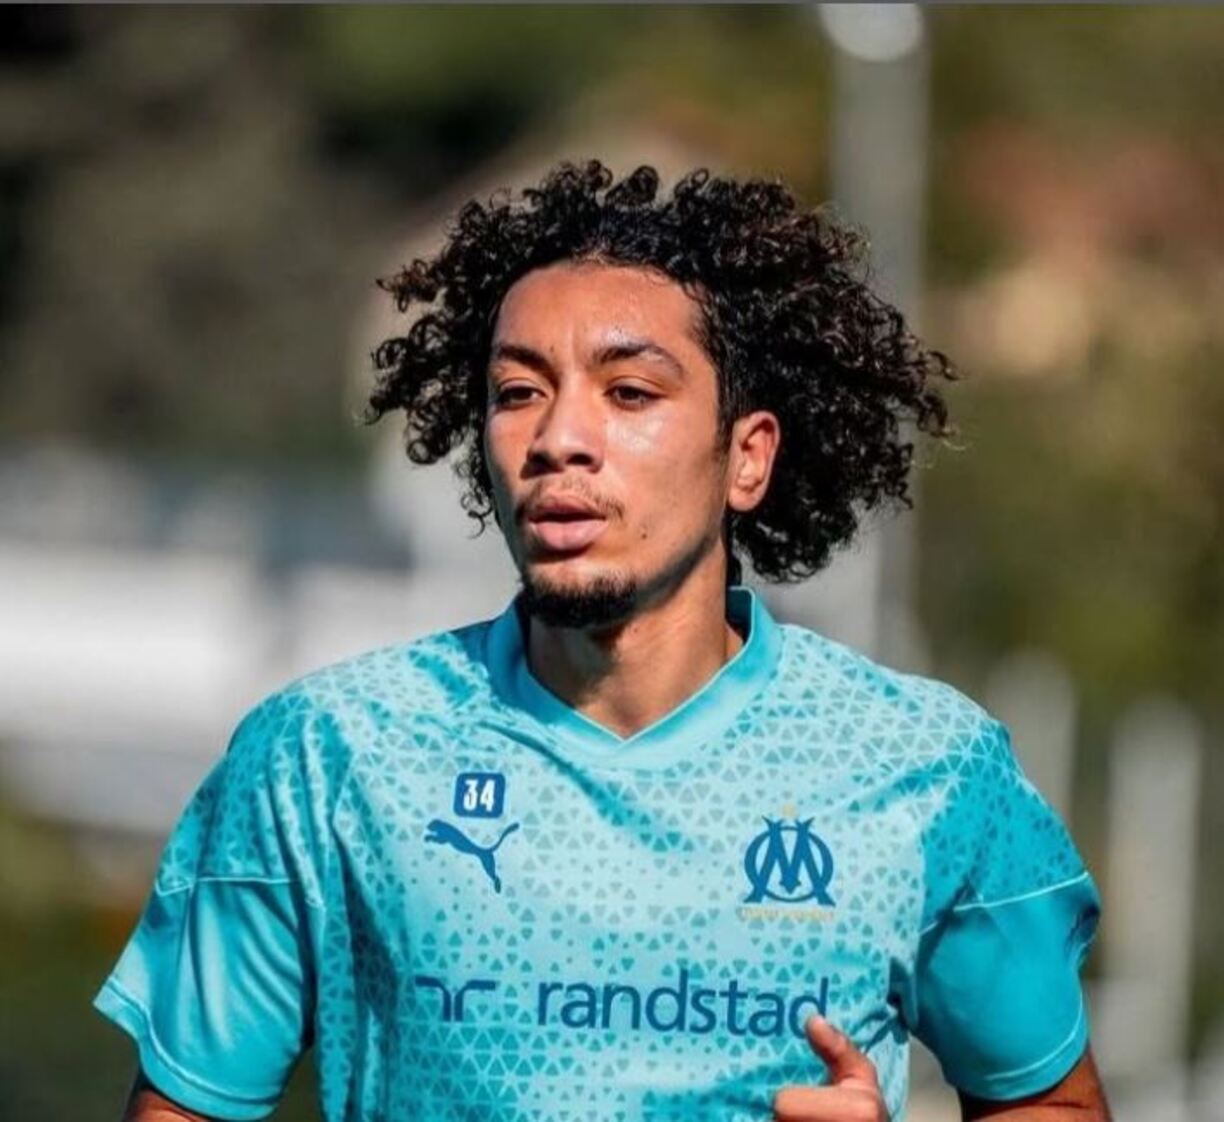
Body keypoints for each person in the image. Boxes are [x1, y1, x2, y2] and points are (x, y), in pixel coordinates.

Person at [96, 160, 1110, 1122]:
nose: (557, 440)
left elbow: (1049, 1101)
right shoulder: (325, 755)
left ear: (746, 458)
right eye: (518, 392)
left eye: (628, 393)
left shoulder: (925, 768)